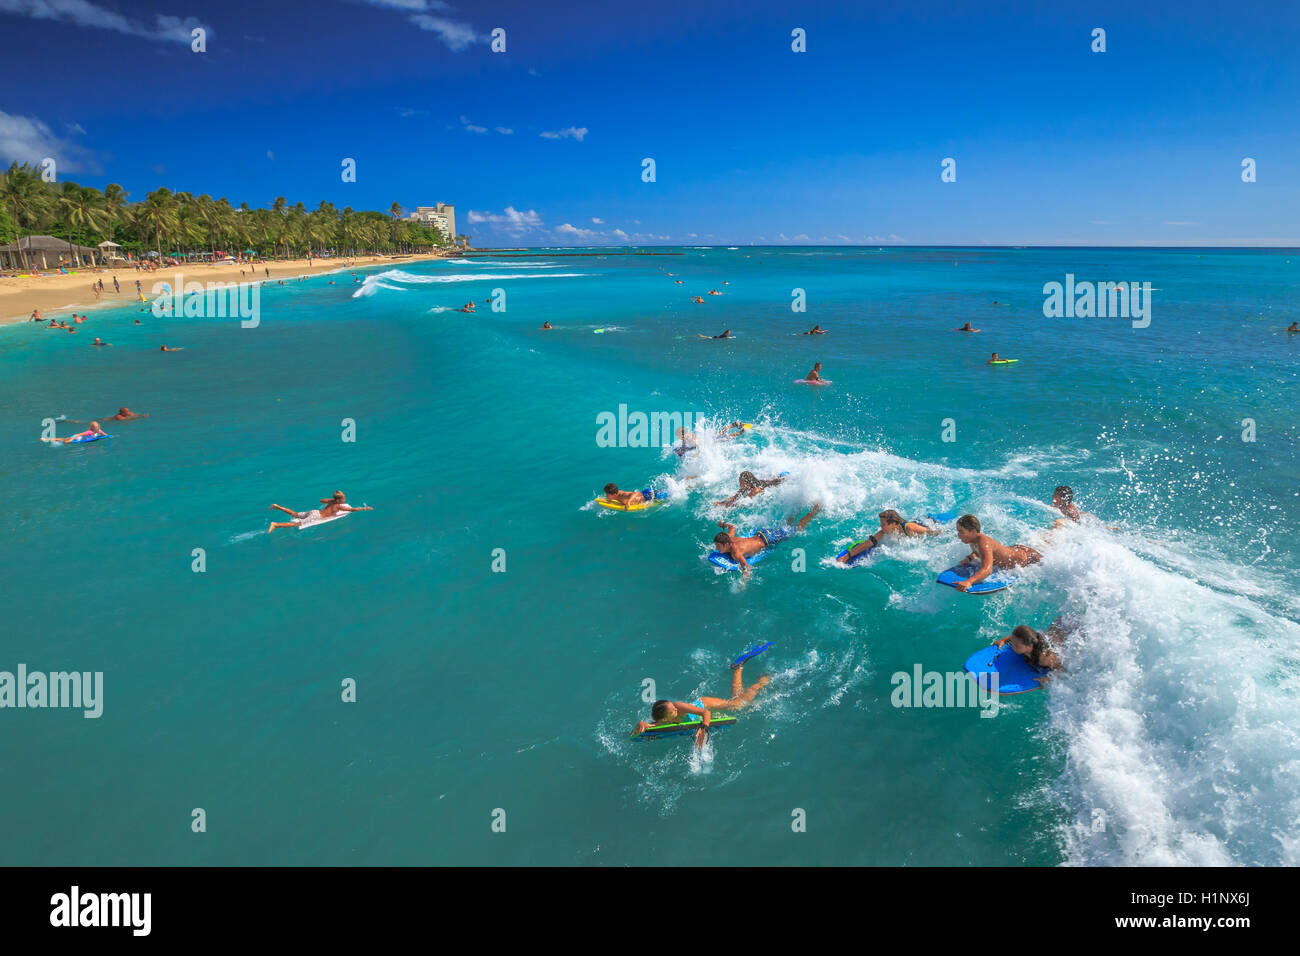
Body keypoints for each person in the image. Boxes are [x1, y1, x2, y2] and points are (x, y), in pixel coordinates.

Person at [631, 660, 771, 749]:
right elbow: (644, 725)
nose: (674, 707)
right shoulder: (661, 723)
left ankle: (761, 682)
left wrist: (703, 728)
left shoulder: (679, 706)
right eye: (671, 709)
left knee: (738, 705)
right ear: (664, 718)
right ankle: (737, 669)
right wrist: (641, 727)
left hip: (703, 705)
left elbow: (706, 713)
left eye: (673, 706)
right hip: (693, 717)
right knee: (736, 699)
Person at [713, 503, 822, 575]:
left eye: (718, 546)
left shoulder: (735, 553)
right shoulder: (730, 538)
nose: (717, 548)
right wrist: (723, 524)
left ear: (726, 544)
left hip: (767, 539)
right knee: (785, 528)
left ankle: (815, 510)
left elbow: (746, 568)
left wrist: (743, 583)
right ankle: (799, 505)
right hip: (761, 532)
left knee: (796, 530)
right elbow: (732, 527)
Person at [951, 514, 1041, 591]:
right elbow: (979, 552)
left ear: (973, 532)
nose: (958, 535)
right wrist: (969, 558)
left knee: (1047, 551)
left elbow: (987, 570)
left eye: (961, 532)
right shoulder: (972, 540)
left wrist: (969, 581)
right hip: (1014, 550)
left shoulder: (984, 543)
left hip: (1028, 557)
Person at [837, 509, 941, 563]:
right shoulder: (885, 531)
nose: (881, 526)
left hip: (924, 524)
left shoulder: (909, 528)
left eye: (883, 524)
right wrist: (847, 556)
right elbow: (869, 543)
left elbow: (933, 533)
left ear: (894, 523)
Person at [992, 624, 1065, 684]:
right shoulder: (1028, 641)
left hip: (1065, 630)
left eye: (1016, 645)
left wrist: (1048, 679)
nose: (1012, 645)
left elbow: (1062, 669)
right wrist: (1003, 640)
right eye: (1012, 642)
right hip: (1055, 630)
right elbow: (1015, 637)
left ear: (1029, 646)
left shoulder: (1044, 658)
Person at [268, 491, 373, 533]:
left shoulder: (331, 501)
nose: (345, 500)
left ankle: (277, 506)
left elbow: (321, 500)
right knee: (296, 524)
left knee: (295, 514)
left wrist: (332, 500)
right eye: (343, 498)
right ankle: (276, 525)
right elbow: (352, 509)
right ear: (339, 500)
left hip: (314, 512)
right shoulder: (339, 506)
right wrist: (364, 508)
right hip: (316, 517)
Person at [714, 470, 786, 508]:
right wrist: (721, 502)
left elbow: (743, 503)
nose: (740, 484)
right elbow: (734, 497)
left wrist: (726, 506)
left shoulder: (755, 490)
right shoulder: (745, 487)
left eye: (741, 482)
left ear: (747, 482)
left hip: (772, 484)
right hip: (763, 482)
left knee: (777, 481)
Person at [43, 421, 107, 444]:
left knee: (63, 439)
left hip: (84, 439)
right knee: (64, 439)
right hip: (77, 438)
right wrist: (71, 440)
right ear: (92, 427)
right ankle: (47, 439)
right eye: (94, 427)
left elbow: (105, 434)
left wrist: (110, 436)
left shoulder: (99, 430)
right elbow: (79, 434)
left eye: (96, 427)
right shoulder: (89, 432)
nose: (96, 428)